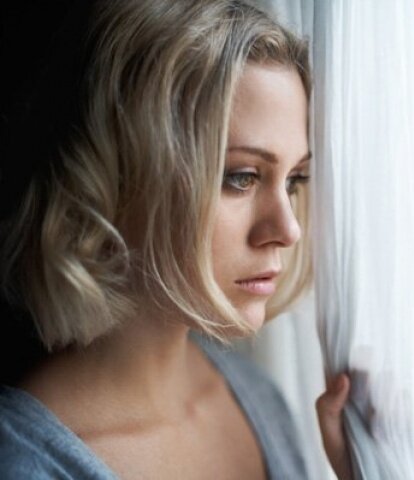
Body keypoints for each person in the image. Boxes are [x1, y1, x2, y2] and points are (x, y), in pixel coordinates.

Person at [0, 0, 353, 478]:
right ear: (119, 175)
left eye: (294, 180)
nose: (288, 229)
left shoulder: (256, 397)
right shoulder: (25, 465)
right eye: (241, 177)